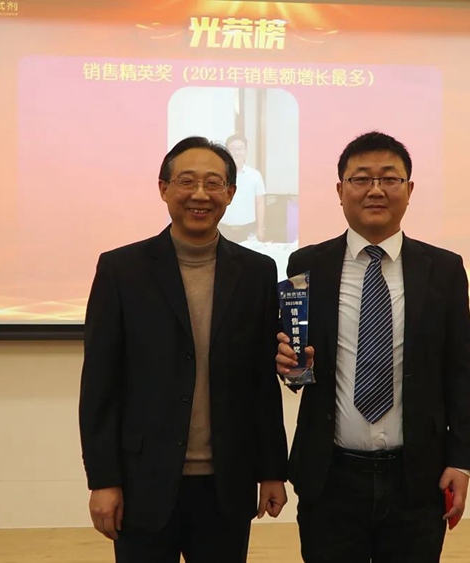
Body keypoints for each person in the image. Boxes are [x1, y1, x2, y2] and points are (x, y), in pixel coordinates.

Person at [79, 136, 288, 563]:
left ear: (231, 193)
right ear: (163, 188)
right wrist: (102, 480)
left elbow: (261, 384)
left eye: (213, 183)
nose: (200, 194)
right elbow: (100, 385)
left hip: (227, 483)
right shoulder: (122, 269)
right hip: (143, 482)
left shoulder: (257, 272)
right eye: (187, 181)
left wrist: (272, 471)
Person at [276, 131, 470, 563]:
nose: (375, 190)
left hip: (416, 478)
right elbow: (297, 365)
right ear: (340, 190)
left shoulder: (443, 269)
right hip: (330, 478)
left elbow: (461, 372)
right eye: (361, 179)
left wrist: (461, 462)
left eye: (389, 178)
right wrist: (291, 368)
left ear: (409, 189)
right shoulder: (307, 264)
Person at [219, 134, 266, 242]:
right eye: (233, 148)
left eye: (240, 148)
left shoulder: (255, 175)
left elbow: (260, 203)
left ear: (246, 151)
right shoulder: (219, 174)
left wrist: (260, 228)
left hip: (248, 230)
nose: (237, 152)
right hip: (223, 229)